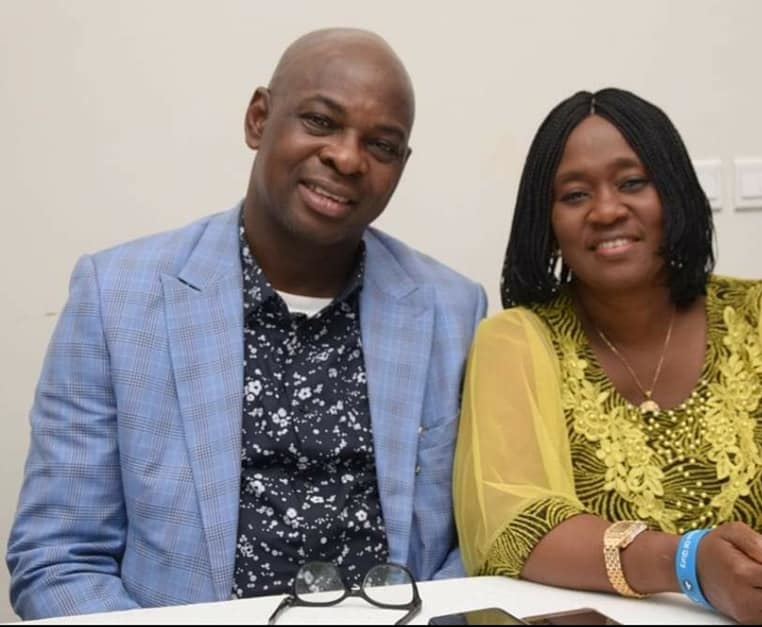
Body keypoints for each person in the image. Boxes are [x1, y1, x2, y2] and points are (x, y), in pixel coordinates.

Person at [7, 28, 486, 620]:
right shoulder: (116, 297)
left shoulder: (453, 312)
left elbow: (477, 544)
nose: (346, 158)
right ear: (259, 119)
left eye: (381, 145)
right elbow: (58, 558)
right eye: (320, 121)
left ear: (401, 166)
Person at [452, 88, 762, 625]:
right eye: (575, 194)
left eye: (632, 183)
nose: (607, 210)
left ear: (673, 194)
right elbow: (514, 527)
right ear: (547, 223)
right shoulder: (515, 341)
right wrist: (687, 564)